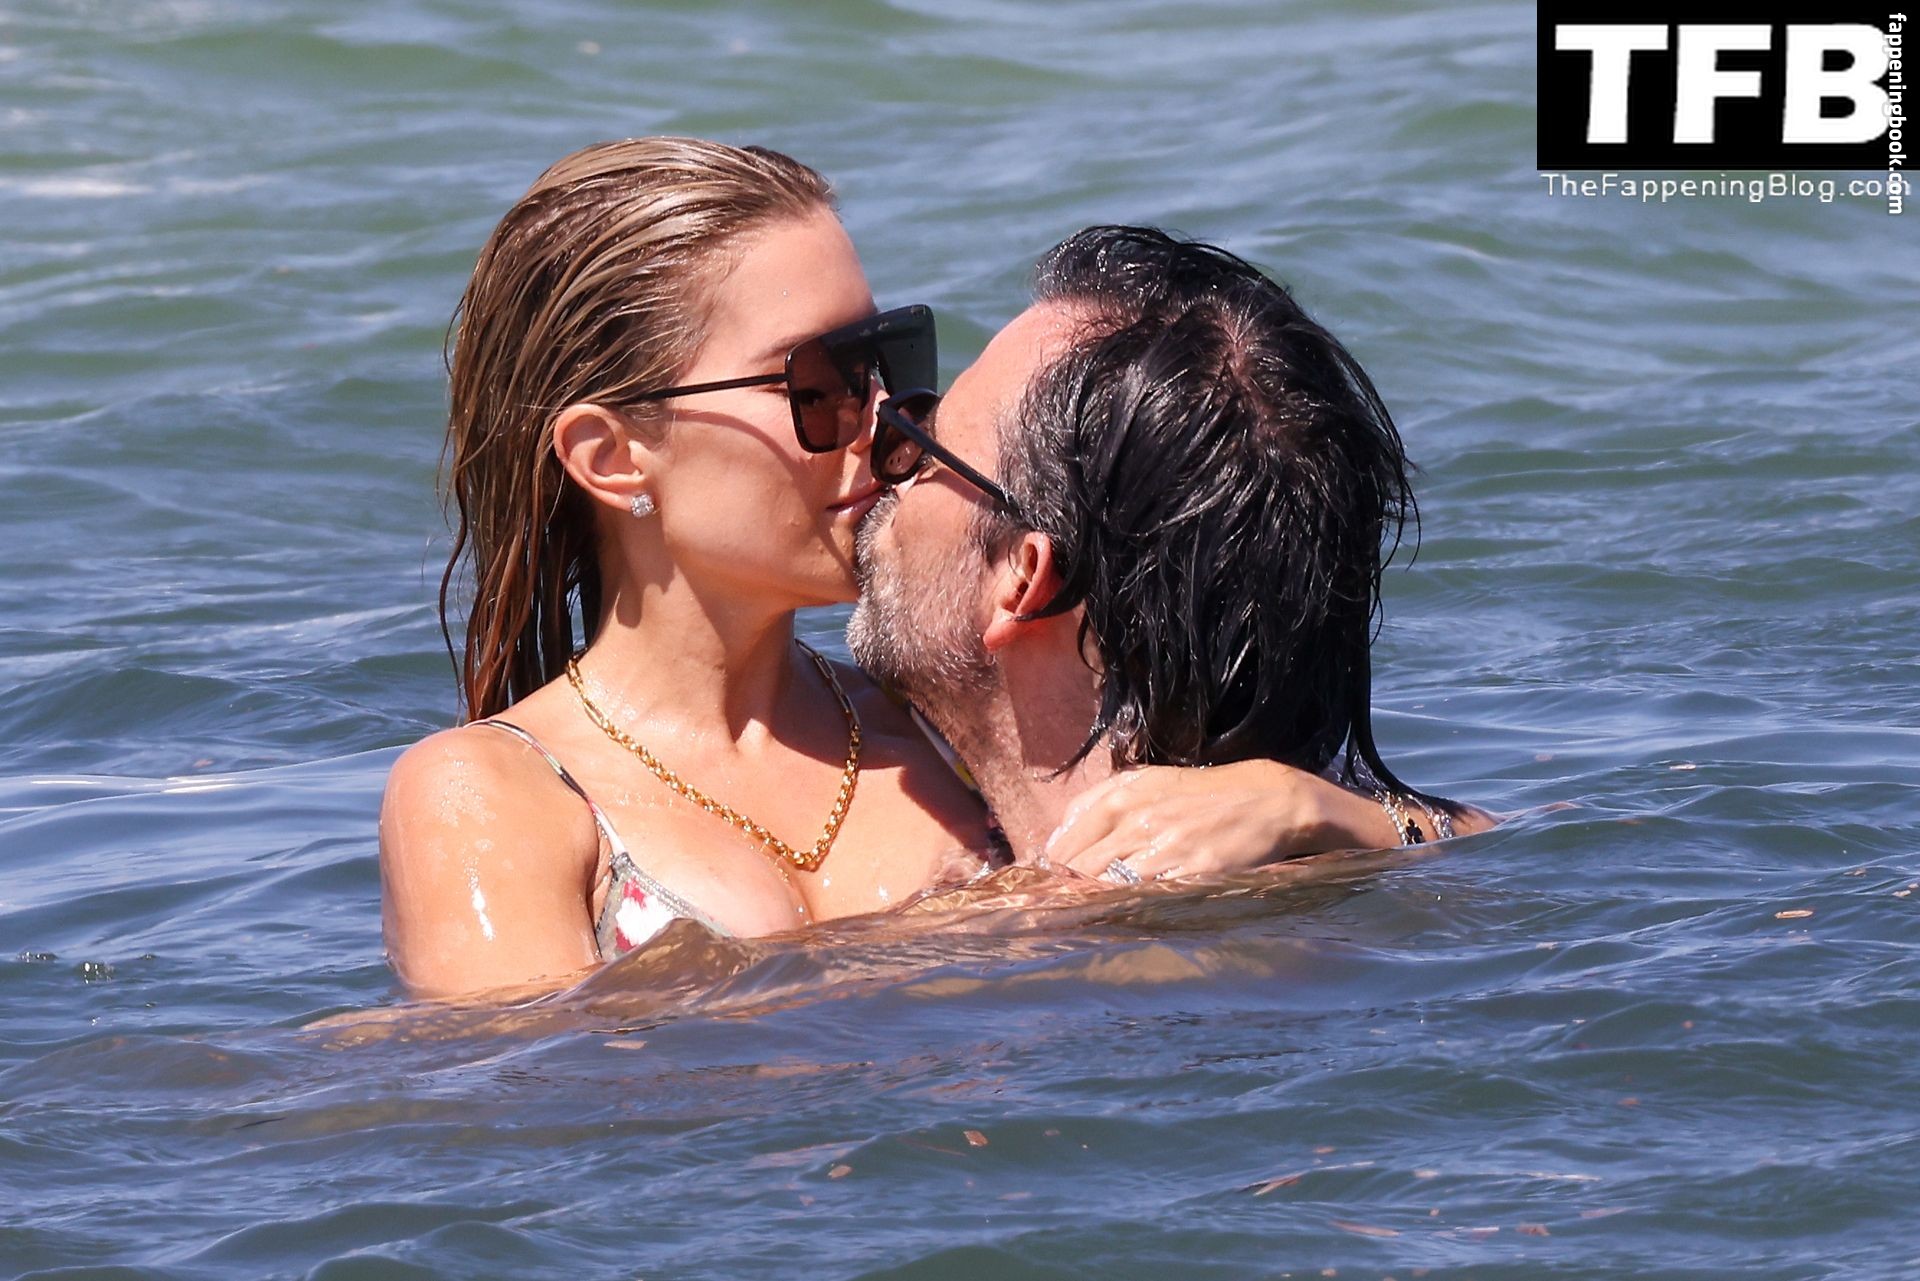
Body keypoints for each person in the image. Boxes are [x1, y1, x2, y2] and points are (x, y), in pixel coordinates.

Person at [380, 141, 1406, 1001]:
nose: (886, 424)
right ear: (611, 457)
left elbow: (1447, 849)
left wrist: (1322, 809)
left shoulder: (941, 715)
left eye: (884, 362)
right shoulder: (494, 796)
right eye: (816, 386)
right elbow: (536, 1112)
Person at [848, 225, 1493, 883]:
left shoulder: (1038, 937)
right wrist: (1335, 811)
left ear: (1023, 578)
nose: (890, 472)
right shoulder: (1347, 832)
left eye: (929, 448)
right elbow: (1516, 835)